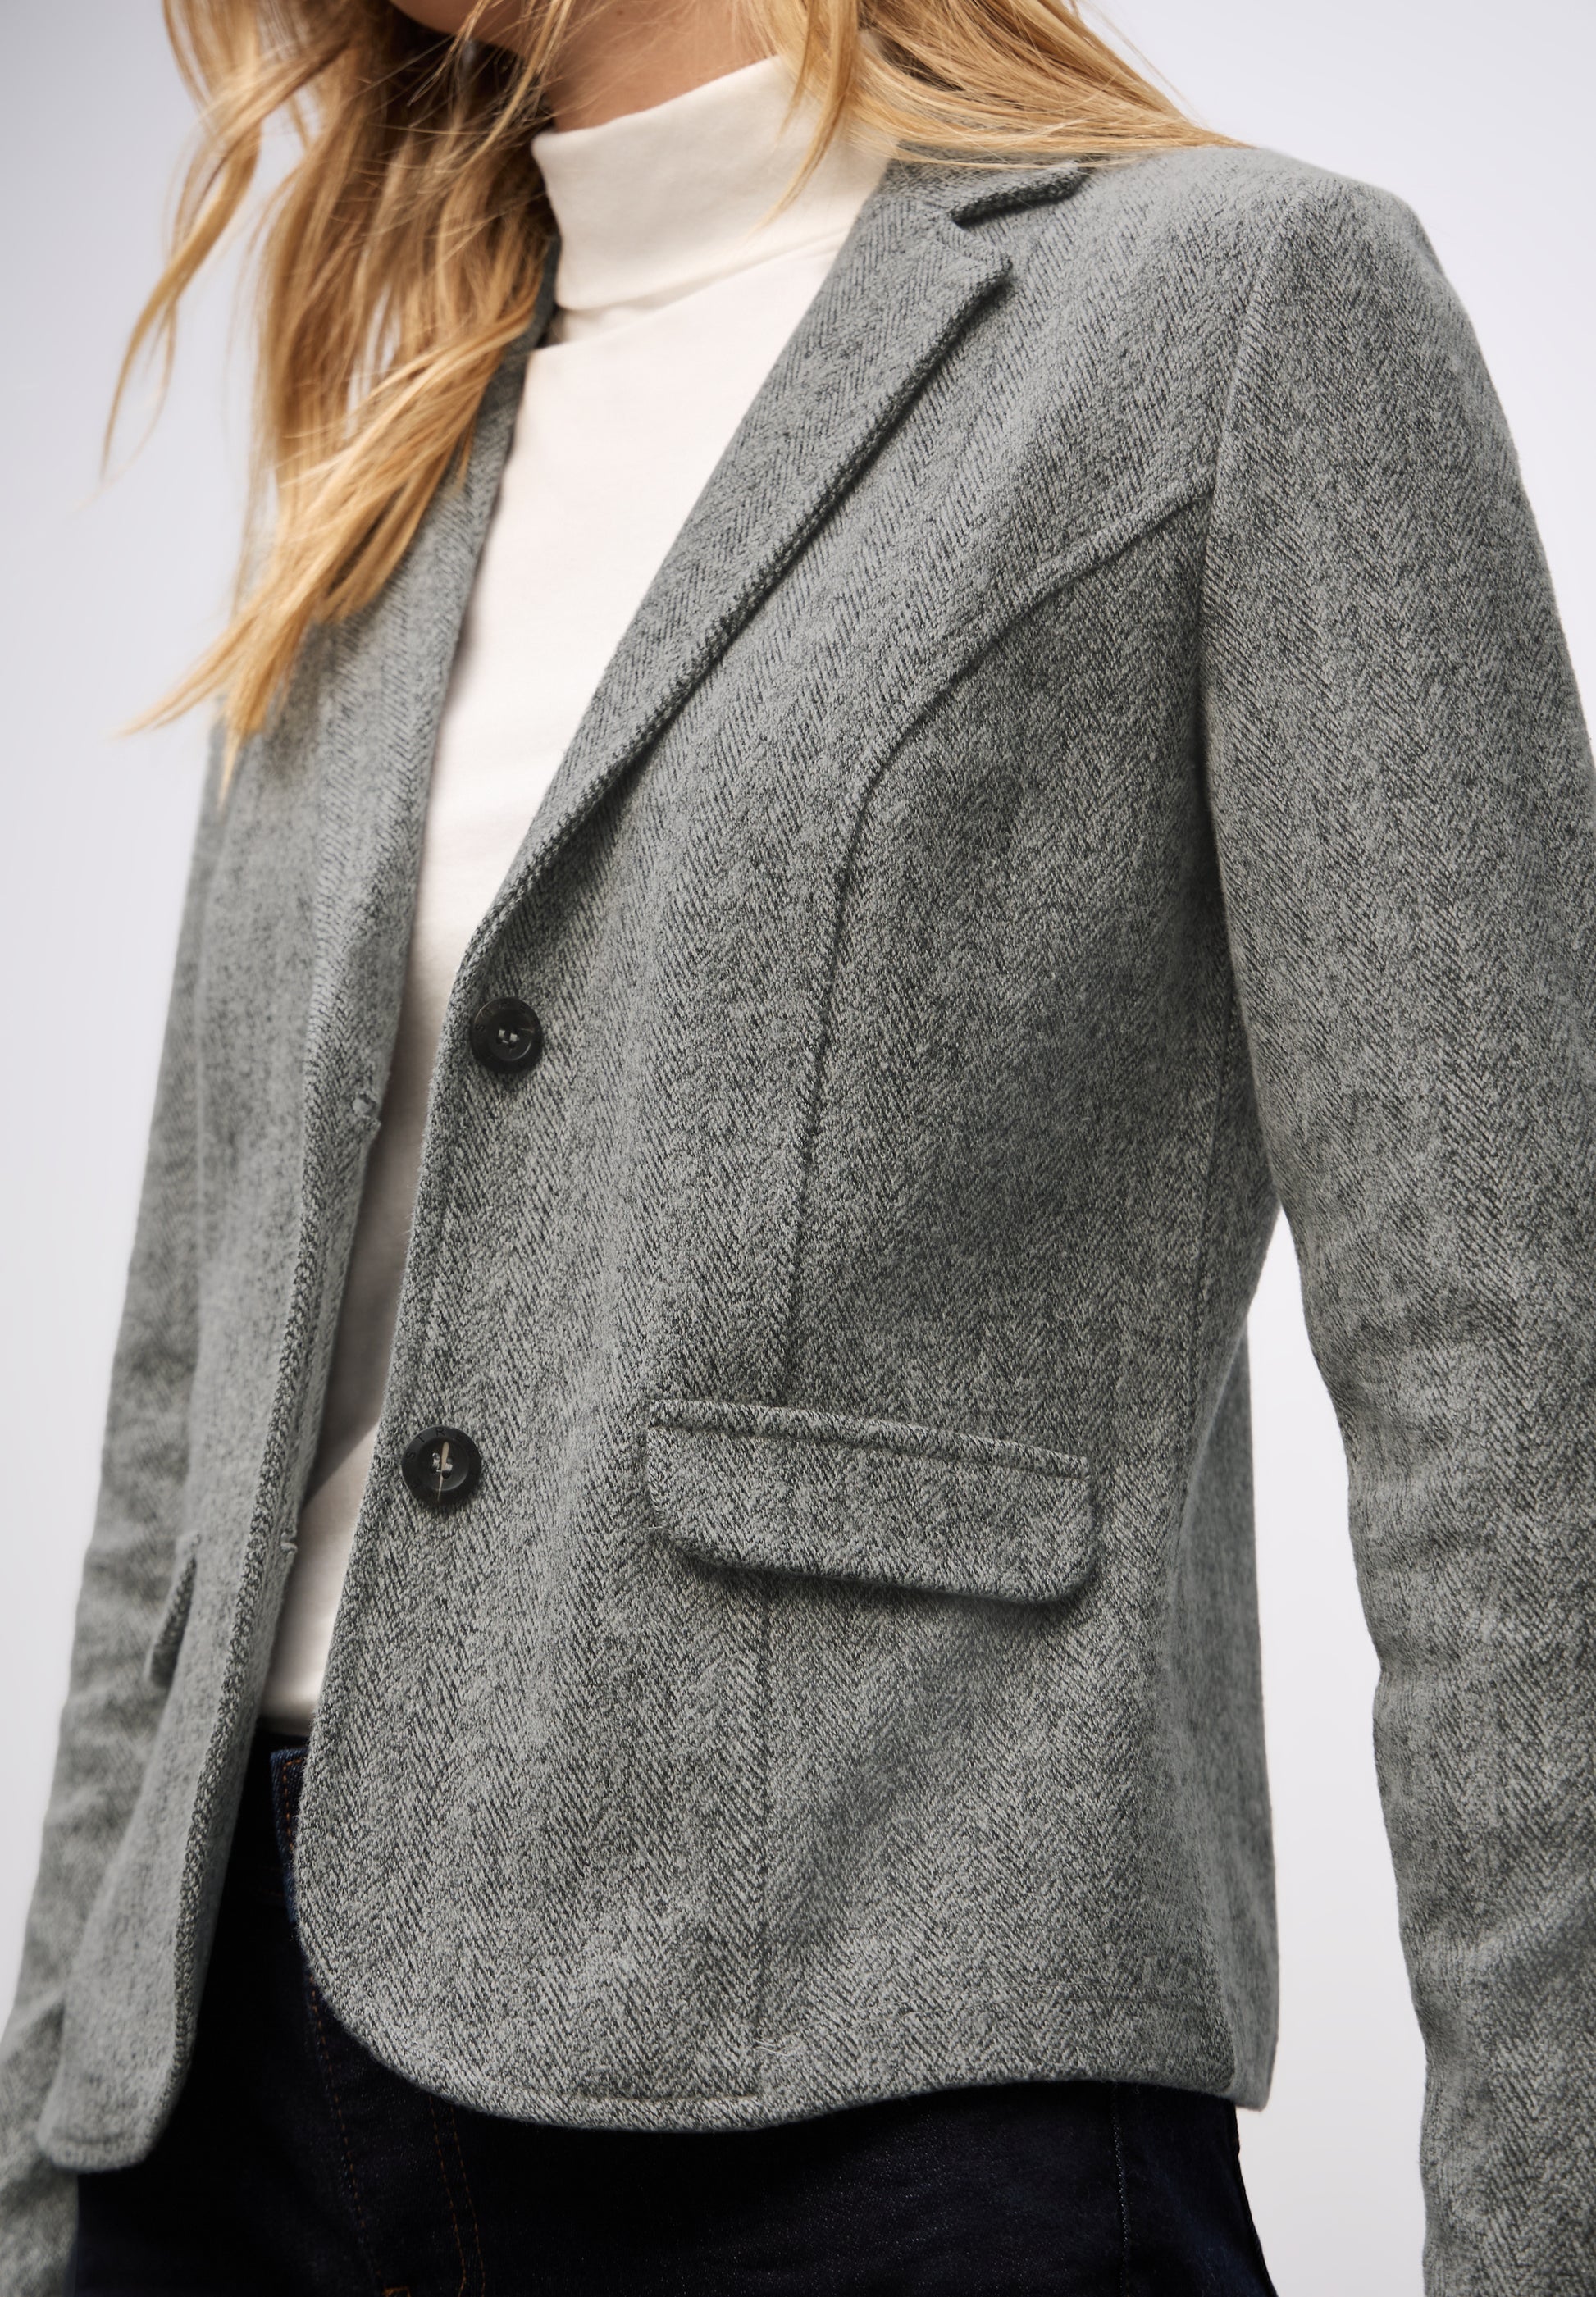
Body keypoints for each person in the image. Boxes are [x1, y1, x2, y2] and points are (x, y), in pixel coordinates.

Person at [3, 0, 1593, 2286]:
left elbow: (1513, 1377)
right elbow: (187, 1415)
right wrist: (46, 2164)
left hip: (878, 2061)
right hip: (222, 2100)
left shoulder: (1235, 306)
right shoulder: (393, 430)